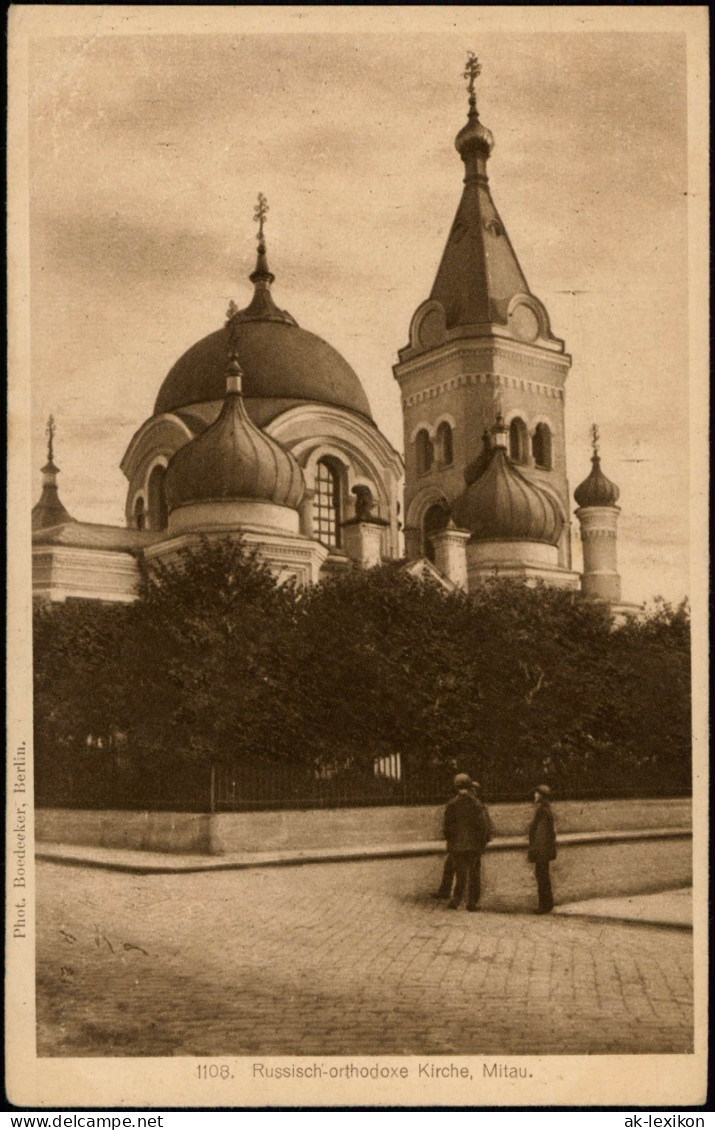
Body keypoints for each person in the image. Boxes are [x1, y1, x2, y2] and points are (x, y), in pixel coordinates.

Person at [443, 773, 492, 911]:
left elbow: (447, 827)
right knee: (474, 874)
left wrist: (451, 841)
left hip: (457, 846)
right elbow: (481, 825)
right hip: (473, 846)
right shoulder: (476, 804)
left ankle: (456, 900)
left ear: (456, 787)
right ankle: (472, 903)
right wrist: (482, 842)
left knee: (460, 873)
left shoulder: (451, 804)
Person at [528, 784, 557, 913]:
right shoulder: (546, 810)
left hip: (542, 851)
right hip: (544, 850)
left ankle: (544, 905)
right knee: (544, 876)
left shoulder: (542, 811)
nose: (534, 796)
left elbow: (541, 834)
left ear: (541, 796)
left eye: (536, 793)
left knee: (542, 877)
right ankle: (548, 903)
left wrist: (536, 851)